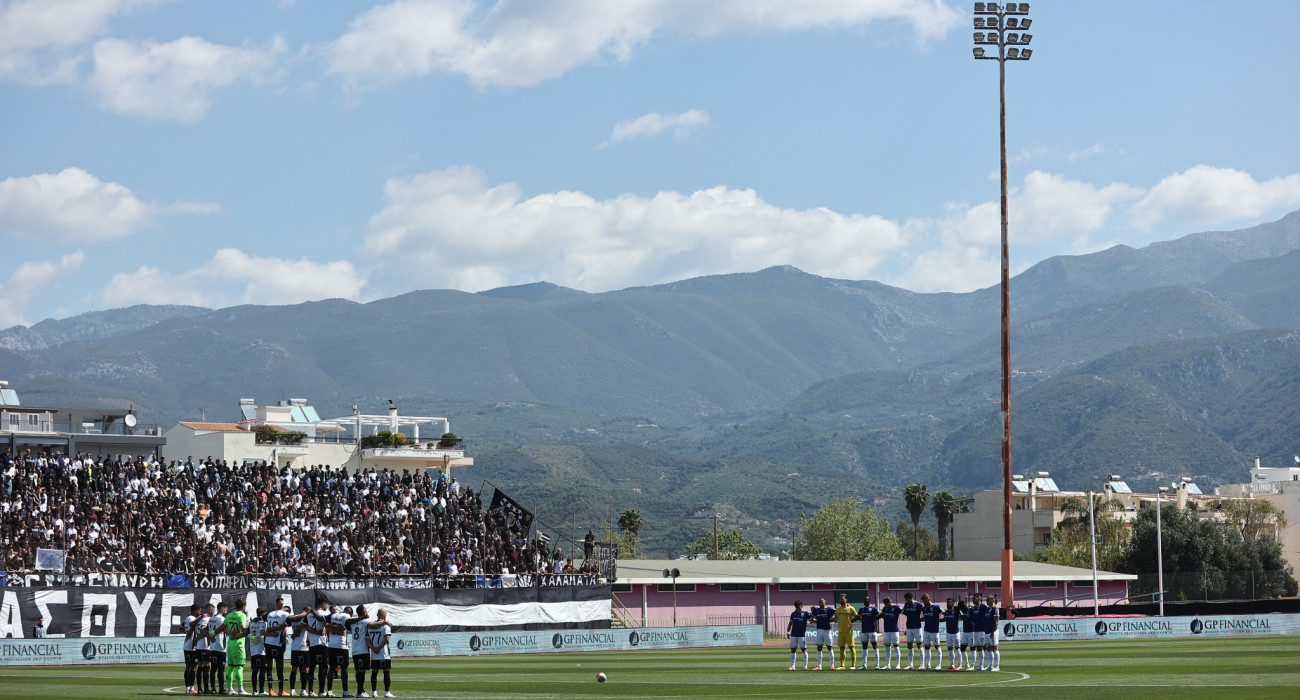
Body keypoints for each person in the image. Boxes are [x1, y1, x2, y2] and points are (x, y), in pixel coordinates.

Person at [224, 597, 251, 695]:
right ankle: (240, 689)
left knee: (230, 667)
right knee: (239, 667)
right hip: (238, 644)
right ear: (244, 606)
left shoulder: (229, 615)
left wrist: (230, 632)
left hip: (230, 644)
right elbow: (244, 630)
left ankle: (230, 689)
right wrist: (244, 634)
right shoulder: (242, 615)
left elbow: (223, 628)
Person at [263, 599, 290, 696]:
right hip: (277, 643)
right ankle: (280, 690)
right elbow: (292, 621)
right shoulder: (285, 614)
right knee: (279, 666)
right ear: (280, 604)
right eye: (282, 604)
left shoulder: (270, 614)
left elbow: (261, 618)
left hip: (268, 641)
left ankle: (270, 689)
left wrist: (269, 629)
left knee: (269, 666)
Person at [365, 609, 393, 698]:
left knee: (374, 672)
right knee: (386, 671)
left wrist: (373, 648)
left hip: (374, 653)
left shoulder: (371, 625)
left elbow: (367, 639)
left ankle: (374, 692)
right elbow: (387, 638)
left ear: (377, 615)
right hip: (384, 653)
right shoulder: (386, 626)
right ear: (384, 616)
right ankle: (387, 692)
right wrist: (379, 648)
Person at [325, 605, 352, 697]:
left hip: (331, 644)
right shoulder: (346, 617)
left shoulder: (333, 616)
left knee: (332, 667)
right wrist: (339, 631)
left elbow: (326, 625)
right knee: (344, 668)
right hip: (341, 645)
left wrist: (333, 628)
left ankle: (329, 691)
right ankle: (345, 692)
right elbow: (343, 629)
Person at [345, 606, 372, 698]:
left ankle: (361, 690)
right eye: (366, 610)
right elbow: (373, 625)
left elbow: (347, 622)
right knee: (361, 671)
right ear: (364, 612)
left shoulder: (354, 622)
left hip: (355, 650)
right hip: (362, 650)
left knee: (358, 671)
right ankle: (359, 692)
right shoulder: (365, 621)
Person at [205, 602, 229, 696]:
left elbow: (206, 630)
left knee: (213, 668)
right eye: (226, 609)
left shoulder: (211, 618)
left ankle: (213, 688)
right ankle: (221, 689)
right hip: (220, 646)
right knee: (221, 669)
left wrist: (210, 638)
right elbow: (225, 630)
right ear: (222, 608)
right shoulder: (222, 619)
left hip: (213, 646)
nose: (226, 610)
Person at [855, 595, 882, 670]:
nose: (865, 601)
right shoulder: (861, 609)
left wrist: (873, 619)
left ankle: (877, 665)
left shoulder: (873, 608)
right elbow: (858, 616)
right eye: (864, 600)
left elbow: (879, 615)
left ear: (869, 601)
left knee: (874, 646)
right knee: (864, 647)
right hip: (864, 630)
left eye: (866, 600)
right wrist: (850, 621)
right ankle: (864, 665)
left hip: (872, 630)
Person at [808, 597, 835, 670]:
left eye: (822, 602)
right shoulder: (816, 610)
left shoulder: (829, 609)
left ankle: (832, 665)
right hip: (819, 630)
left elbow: (837, 612)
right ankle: (819, 666)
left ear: (825, 603)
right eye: (819, 602)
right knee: (819, 647)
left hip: (827, 631)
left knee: (829, 647)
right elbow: (811, 617)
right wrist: (813, 620)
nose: (820, 603)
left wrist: (833, 619)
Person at [288, 610, 311, 696]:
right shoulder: (304, 619)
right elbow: (308, 628)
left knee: (294, 669)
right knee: (305, 669)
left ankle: (292, 690)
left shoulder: (294, 618)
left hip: (294, 647)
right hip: (303, 647)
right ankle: (303, 690)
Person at [785, 600, 812, 671]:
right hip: (794, 634)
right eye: (796, 607)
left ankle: (805, 666)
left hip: (801, 635)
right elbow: (790, 623)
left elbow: (811, 620)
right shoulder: (793, 614)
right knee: (793, 650)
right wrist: (788, 632)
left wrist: (813, 616)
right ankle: (793, 666)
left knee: (804, 649)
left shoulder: (805, 613)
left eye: (798, 607)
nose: (797, 608)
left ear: (801, 606)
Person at [833, 594, 857, 671]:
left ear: (846, 599)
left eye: (842, 599)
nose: (841, 600)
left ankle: (853, 665)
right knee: (841, 648)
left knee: (851, 647)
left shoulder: (851, 608)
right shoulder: (838, 609)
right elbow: (835, 619)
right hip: (840, 631)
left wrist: (851, 621)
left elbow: (856, 616)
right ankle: (842, 665)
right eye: (840, 599)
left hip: (849, 631)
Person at [900, 592, 923, 670]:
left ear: (911, 598)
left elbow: (925, 610)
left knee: (919, 644)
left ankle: (922, 664)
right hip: (909, 627)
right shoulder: (906, 605)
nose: (907, 601)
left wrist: (921, 619)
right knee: (909, 645)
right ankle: (910, 664)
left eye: (907, 600)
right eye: (906, 600)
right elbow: (903, 612)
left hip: (917, 627)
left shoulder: (918, 604)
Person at [249, 607, 269, 697]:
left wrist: (251, 637)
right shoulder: (263, 623)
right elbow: (263, 632)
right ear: (264, 614)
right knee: (262, 670)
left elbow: (248, 633)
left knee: (255, 671)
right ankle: (261, 690)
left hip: (253, 649)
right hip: (261, 650)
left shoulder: (251, 623)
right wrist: (272, 634)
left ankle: (254, 691)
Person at [879, 596, 902, 670]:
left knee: (896, 646)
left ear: (890, 602)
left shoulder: (896, 607)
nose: (886, 606)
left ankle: (898, 665)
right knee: (887, 647)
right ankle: (887, 665)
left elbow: (904, 611)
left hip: (894, 630)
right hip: (886, 630)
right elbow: (882, 615)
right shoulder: (885, 608)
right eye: (885, 604)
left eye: (887, 604)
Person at [920, 593, 942, 671]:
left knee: (937, 646)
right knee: (927, 647)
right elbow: (926, 617)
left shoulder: (936, 607)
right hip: (926, 630)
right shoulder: (924, 608)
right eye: (922, 601)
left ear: (929, 599)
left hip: (934, 631)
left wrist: (940, 620)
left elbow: (944, 613)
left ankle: (939, 665)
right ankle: (928, 664)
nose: (923, 602)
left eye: (924, 600)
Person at [183, 605, 201, 695]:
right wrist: (188, 635)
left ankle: (188, 688)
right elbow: (191, 628)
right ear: (196, 611)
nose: (200, 613)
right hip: (192, 646)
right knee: (193, 667)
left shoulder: (187, 618)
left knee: (188, 667)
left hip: (187, 646)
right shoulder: (191, 619)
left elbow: (182, 628)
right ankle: (191, 688)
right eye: (199, 611)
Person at [984, 594, 1001, 672]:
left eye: (988, 600)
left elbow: (996, 621)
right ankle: (990, 666)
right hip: (986, 631)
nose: (987, 601)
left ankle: (997, 666)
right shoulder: (987, 609)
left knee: (994, 648)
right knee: (988, 649)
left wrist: (993, 631)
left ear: (993, 600)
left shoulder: (995, 609)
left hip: (992, 631)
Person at [958, 599, 974, 671]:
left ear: (964, 605)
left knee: (972, 648)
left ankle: (972, 665)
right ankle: (967, 664)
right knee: (962, 648)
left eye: (961, 607)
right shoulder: (963, 611)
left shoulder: (971, 610)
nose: (961, 609)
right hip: (965, 632)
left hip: (971, 631)